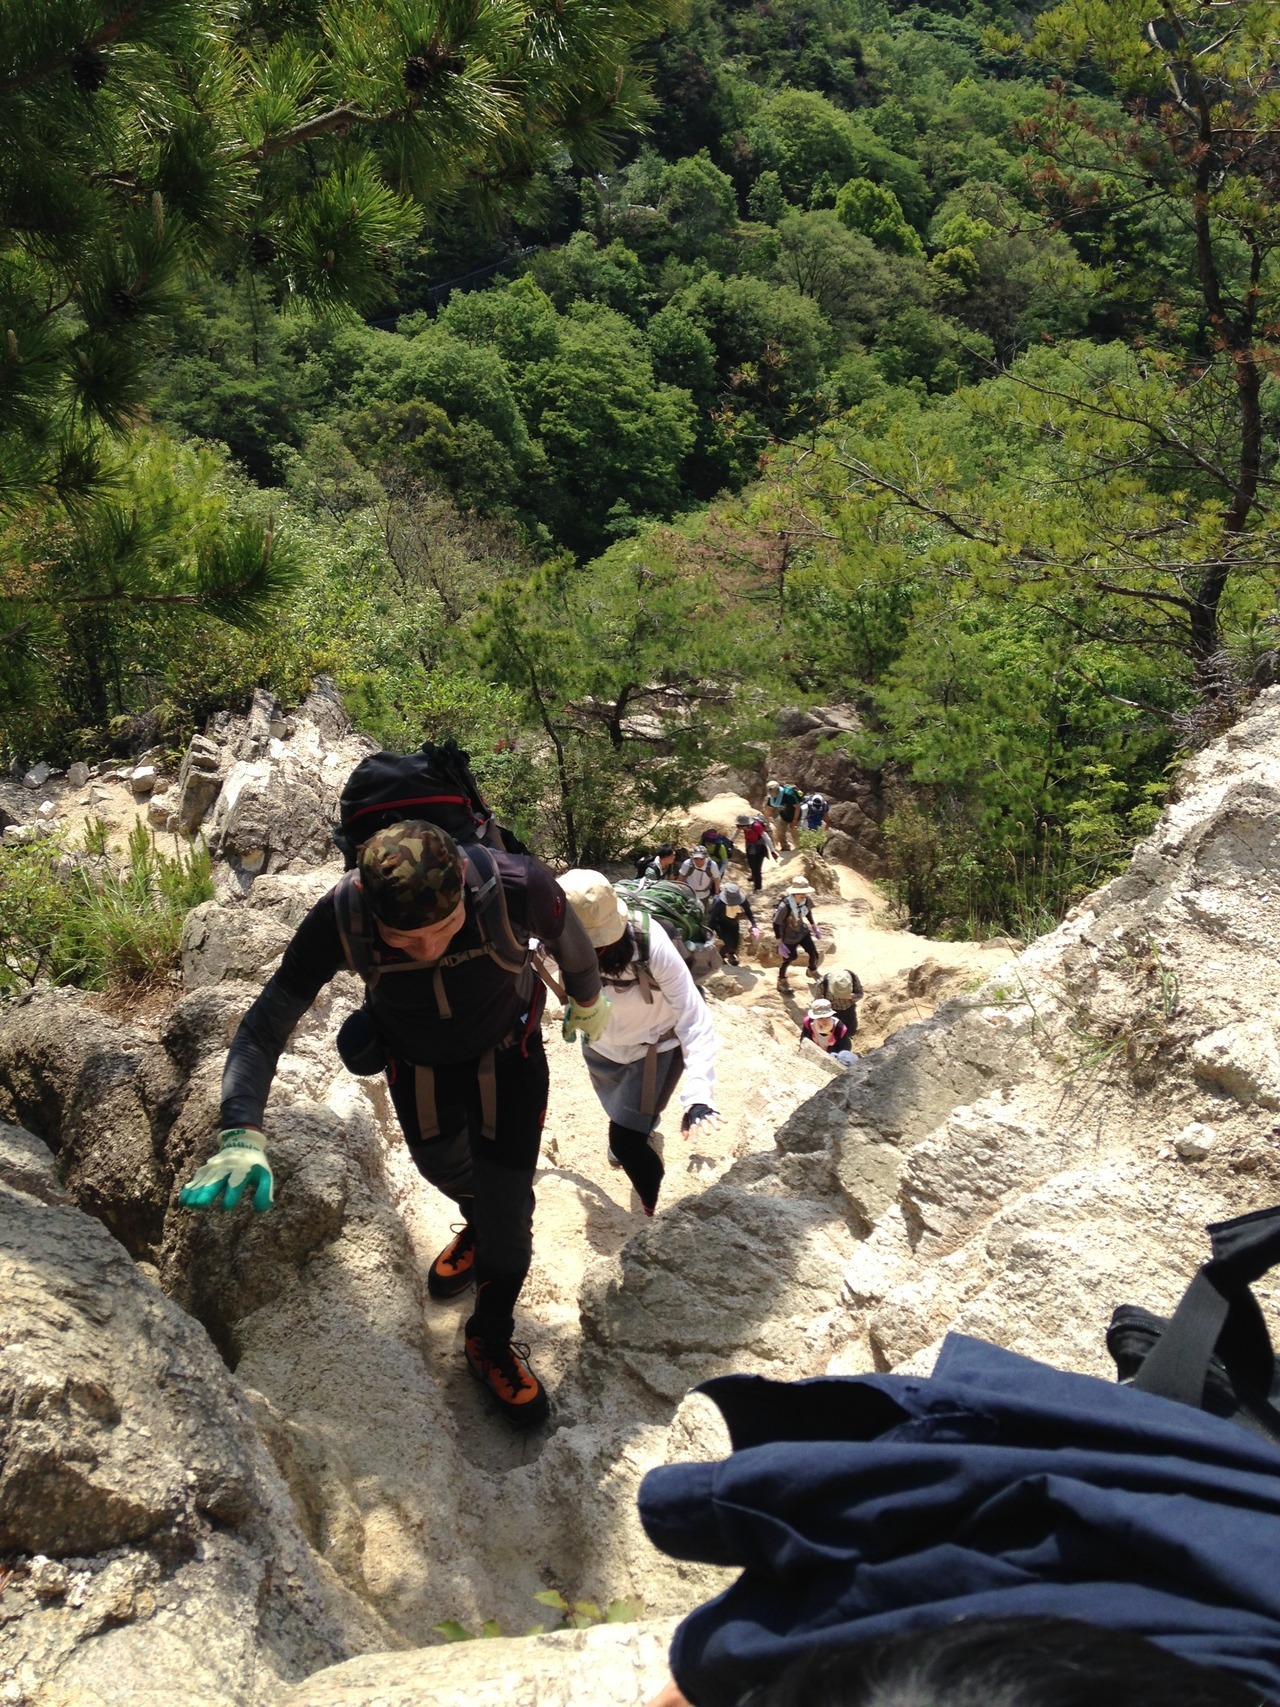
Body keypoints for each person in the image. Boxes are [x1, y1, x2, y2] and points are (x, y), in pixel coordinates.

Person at [178, 819, 607, 1431]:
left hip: (508, 1057)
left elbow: (570, 939)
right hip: (417, 1062)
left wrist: (588, 999)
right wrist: (241, 1130)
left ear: (464, 885)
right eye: (406, 939)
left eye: (441, 930)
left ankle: (488, 1337)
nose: (428, 947)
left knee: (510, 1218)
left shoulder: (513, 885)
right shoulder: (343, 914)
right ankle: (481, 1221)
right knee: (439, 1166)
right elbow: (264, 1025)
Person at [558, 869, 719, 1216]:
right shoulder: (548, 941)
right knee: (623, 1113)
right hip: (599, 1044)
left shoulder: (651, 942)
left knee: (626, 1142)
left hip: (653, 1050)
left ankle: (655, 1212)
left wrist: (698, 1095)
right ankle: (641, 1123)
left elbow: (693, 1016)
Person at [772, 876, 820, 992]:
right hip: (788, 936)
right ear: (794, 893)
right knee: (789, 958)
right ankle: (781, 980)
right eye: (801, 893)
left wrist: (814, 926)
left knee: (814, 954)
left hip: (802, 931)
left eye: (805, 892)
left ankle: (811, 970)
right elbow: (776, 923)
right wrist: (779, 942)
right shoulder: (785, 906)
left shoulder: (806, 900)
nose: (804, 895)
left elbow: (808, 912)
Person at [707, 882, 759, 966]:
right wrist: (710, 931)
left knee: (735, 943)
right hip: (720, 923)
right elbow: (712, 917)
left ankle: (730, 954)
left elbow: (748, 911)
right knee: (728, 943)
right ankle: (720, 957)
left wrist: (754, 925)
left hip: (734, 922)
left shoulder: (742, 900)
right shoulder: (718, 901)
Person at [800, 997, 855, 1063]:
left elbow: (844, 1050)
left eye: (827, 1017)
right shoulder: (808, 1023)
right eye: (820, 1018)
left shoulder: (840, 1028)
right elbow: (804, 1041)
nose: (824, 1021)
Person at [814, 965, 864, 1036]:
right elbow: (817, 1003)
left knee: (851, 1032)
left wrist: (851, 996)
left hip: (850, 1011)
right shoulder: (823, 983)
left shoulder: (852, 977)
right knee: (834, 1036)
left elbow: (860, 994)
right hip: (832, 1013)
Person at [740, 813, 777, 893]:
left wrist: (772, 851)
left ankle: (758, 887)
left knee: (757, 868)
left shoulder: (757, 826)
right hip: (749, 846)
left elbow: (766, 838)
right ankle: (753, 876)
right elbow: (736, 832)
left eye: (742, 826)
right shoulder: (742, 827)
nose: (741, 828)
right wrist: (731, 841)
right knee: (750, 863)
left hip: (760, 847)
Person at [765, 778, 803, 851]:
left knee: (795, 833)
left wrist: (795, 820)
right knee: (780, 831)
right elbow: (769, 808)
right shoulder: (772, 798)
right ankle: (785, 847)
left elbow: (797, 807)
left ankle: (799, 849)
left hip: (795, 815)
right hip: (784, 815)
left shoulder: (788, 794)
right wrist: (765, 819)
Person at [679, 846, 720, 912]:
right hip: (689, 893)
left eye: (701, 859)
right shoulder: (687, 864)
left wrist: (717, 893)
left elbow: (716, 878)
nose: (698, 861)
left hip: (704, 895)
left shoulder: (712, 865)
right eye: (696, 858)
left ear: (705, 857)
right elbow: (681, 877)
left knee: (701, 913)